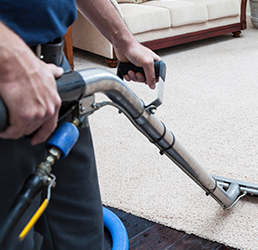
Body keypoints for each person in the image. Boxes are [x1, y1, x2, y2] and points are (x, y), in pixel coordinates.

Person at [0, 0, 160, 249]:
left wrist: (123, 41)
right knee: (14, 237)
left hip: (54, 64)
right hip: (8, 79)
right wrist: (9, 55)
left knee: (83, 230)